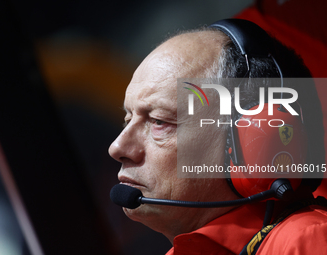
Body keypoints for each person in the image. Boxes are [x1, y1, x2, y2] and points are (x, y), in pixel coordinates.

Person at [109, 19, 327, 254]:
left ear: (256, 139)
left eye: (159, 121)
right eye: (127, 119)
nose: (118, 147)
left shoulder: (306, 241)